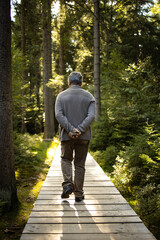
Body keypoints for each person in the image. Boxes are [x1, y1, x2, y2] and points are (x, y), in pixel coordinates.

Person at [55, 71, 95, 202]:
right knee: (79, 164)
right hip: (84, 137)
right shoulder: (89, 96)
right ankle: (78, 194)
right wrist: (80, 130)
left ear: (69, 82)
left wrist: (71, 130)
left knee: (66, 159)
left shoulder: (61, 96)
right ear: (81, 82)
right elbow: (91, 116)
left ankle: (67, 185)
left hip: (67, 136)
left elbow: (59, 115)